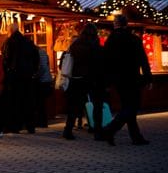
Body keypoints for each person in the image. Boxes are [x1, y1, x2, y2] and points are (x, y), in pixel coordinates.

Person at [102, 14, 153, 146]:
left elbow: (106, 62)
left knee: (127, 106)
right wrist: (148, 77)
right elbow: (143, 59)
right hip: (132, 77)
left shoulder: (111, 39)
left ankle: (135, 137)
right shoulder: (133, 39)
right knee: (132, 107)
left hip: (118, 79)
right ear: (126, 24)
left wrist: (107, 81)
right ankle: (111, 129)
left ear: (116, 24)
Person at [63, 24, 100, 140]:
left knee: (74, 106)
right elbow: (95, 62)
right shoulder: (93, 44)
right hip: (89, 78)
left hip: (75, 78)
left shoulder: (75, 44)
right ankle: (96, 130)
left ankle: (68, 130)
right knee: (95, 104)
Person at [2, 22, 40, 134]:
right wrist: (33, 71)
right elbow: (36, 58)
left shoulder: (9, 42)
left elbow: (6, 59)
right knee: (28, 100)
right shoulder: (28, 42)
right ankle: (30, 126)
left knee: (15, 101)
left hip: (14, 76)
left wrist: (7, 71)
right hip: (27, 75)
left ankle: (15, 126)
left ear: (10, 31)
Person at [34, 47, 53, 128]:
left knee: (40, 103)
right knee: (41, 103)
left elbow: (43, 67)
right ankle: (42, 122)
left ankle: (42, 122)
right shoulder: (43, 53)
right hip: (46, 80)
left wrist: (35, 76)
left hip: (43, 81)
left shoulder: (40, 53)